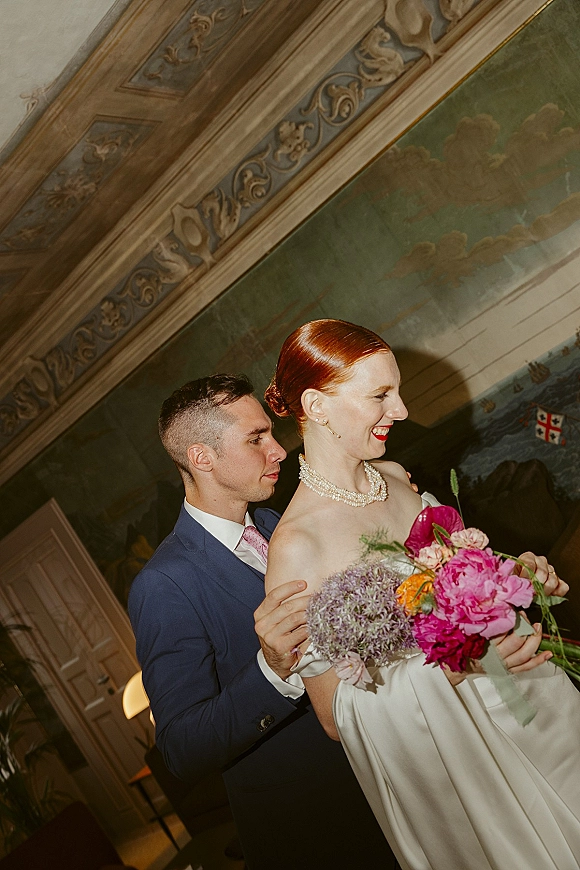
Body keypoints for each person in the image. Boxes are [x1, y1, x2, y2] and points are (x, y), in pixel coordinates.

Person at [264, 319, 580, 870]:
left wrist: (518, 579)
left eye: (398, 391)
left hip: (533, 703)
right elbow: (335, 717)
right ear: (317, 406)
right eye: (380, 395)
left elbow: (458, 583)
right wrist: (457, 670)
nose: (402, 410)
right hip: (466, 756)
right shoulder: (296, 547)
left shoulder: (396, 476)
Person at [128, 374, 398, 870]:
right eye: (256, 438)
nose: (278, 450)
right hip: (311, 826)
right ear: (202, 458)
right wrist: (271, 671)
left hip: (387, 776)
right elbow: (181, 750)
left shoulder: (280, 526)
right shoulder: (163, 584)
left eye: (271, 433)